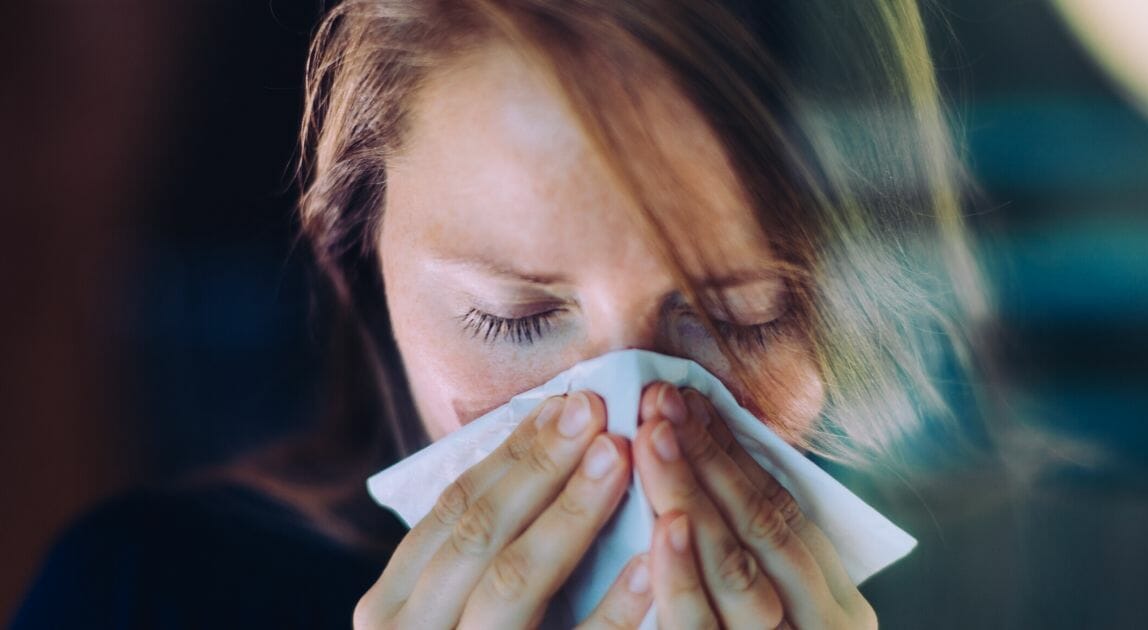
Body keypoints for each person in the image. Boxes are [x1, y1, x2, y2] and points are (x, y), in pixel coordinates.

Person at [14, 1, 989, 628]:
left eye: (741, 320)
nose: (629, 424)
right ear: (360, 262)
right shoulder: (134, 598)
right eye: (516, 318)